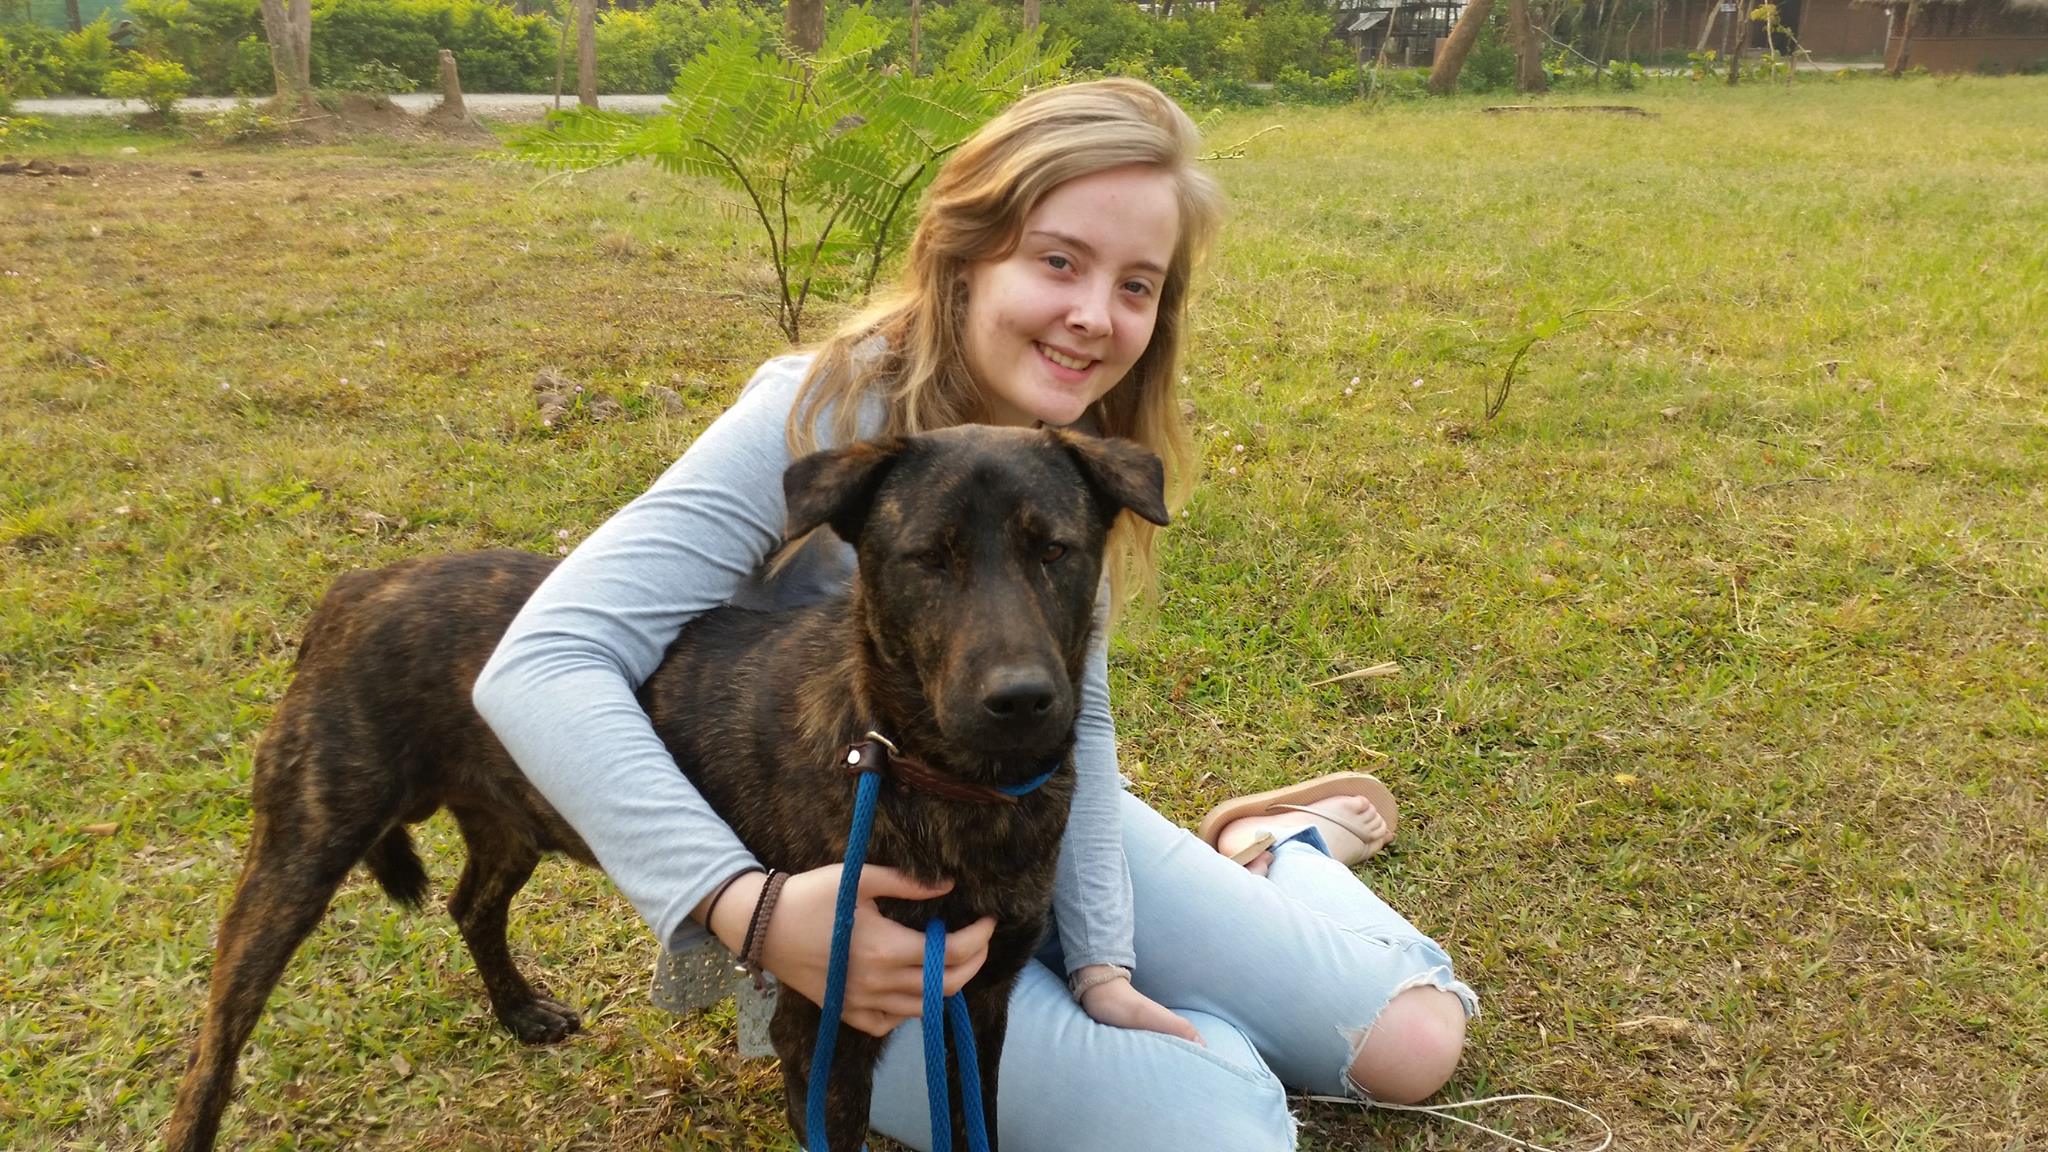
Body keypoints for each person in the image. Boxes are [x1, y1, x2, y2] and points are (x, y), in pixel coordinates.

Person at [473, 77, 1476, 1151]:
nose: (1095, 314)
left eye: (1136, 284)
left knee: (1414, 1044)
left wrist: (1104, 961)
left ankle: (1276, 848)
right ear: (963, 259)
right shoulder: (817, 415)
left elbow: (1076, 716)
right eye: (1059, 261)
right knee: (1223, 1129)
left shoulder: (1069, 457)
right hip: (834, 898)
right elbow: (539, 663)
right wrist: (744, 908)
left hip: (1007, 834)